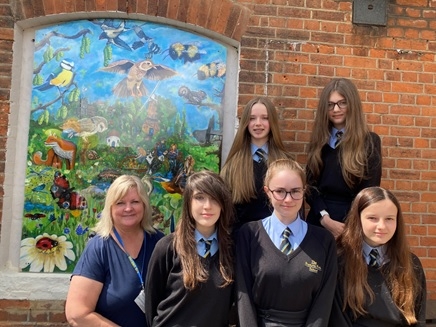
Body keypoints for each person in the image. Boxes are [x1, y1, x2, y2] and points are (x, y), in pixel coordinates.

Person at [236, 159, 337, 326]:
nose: (288, 199)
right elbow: (243, 294)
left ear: (304, 191)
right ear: (267, 192)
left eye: (295, 191)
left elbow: (324, 301)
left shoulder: (324, 240)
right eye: (280, 191)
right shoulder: (249, 234)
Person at [65, 175, 164, 327]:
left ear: (144, 205)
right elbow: (77, 314)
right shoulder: (99, 248)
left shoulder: (161, 243)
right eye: (120, 203)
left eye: (135, 202)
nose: (128, 208)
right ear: (110, 208)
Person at [144, 170, 234, 326]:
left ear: (223, 204)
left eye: (214, 199)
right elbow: (151, 301)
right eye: (199, 197)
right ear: (188, 203)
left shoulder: (232, 250)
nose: (207, 206)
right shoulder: (167, 248)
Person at [329, 187, 426, 326]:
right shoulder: (340, 261)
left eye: (389, 219)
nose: (382, 226)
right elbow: (337, 317)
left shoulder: (410, 263)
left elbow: (419, 315)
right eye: (372, 218)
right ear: (358, 219)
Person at [306, 77, 382, 238]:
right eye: (330, 104)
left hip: (350, 225)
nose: (336, 109)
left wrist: (349, 225)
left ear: (352, 105)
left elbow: (369, 191)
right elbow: (310, 187)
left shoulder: (370, 142)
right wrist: (325, 219)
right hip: (319, 221)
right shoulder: (319, 142)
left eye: (342, 103)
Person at [220, 97, 293, 231]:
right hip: (241, 240)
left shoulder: (286, 163)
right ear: (245, 123)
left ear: (272, 122)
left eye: (264, 118)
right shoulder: (233, 165)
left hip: (276, 239)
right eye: (252, 118)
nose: (258, 123)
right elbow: (226, 214)